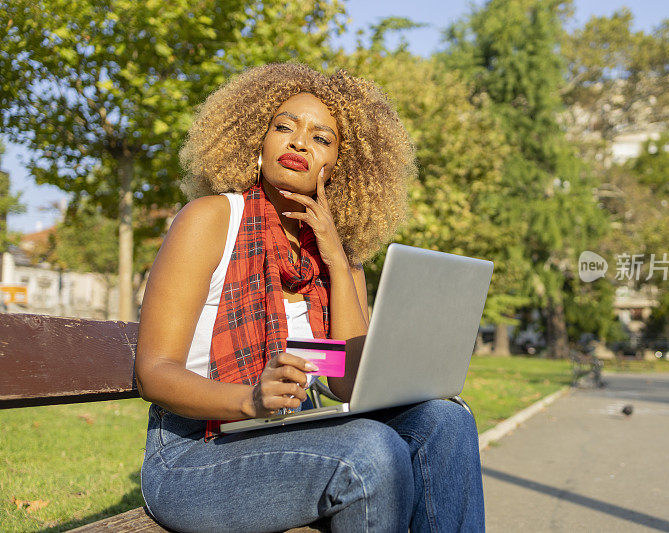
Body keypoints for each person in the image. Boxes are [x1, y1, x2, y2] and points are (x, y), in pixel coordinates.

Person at [135, 62, 485, 533]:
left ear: (338, 166)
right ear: (256, 143)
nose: (299, 142)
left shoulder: (339, 257)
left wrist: (339, 265)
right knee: (370, 452)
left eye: (321, 138)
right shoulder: (211, 220)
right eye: (284, 127)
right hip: (195, 451)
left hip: (288, 433)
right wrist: (248, 400)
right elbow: (153, 373)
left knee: (447, 423)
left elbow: (346, 384)